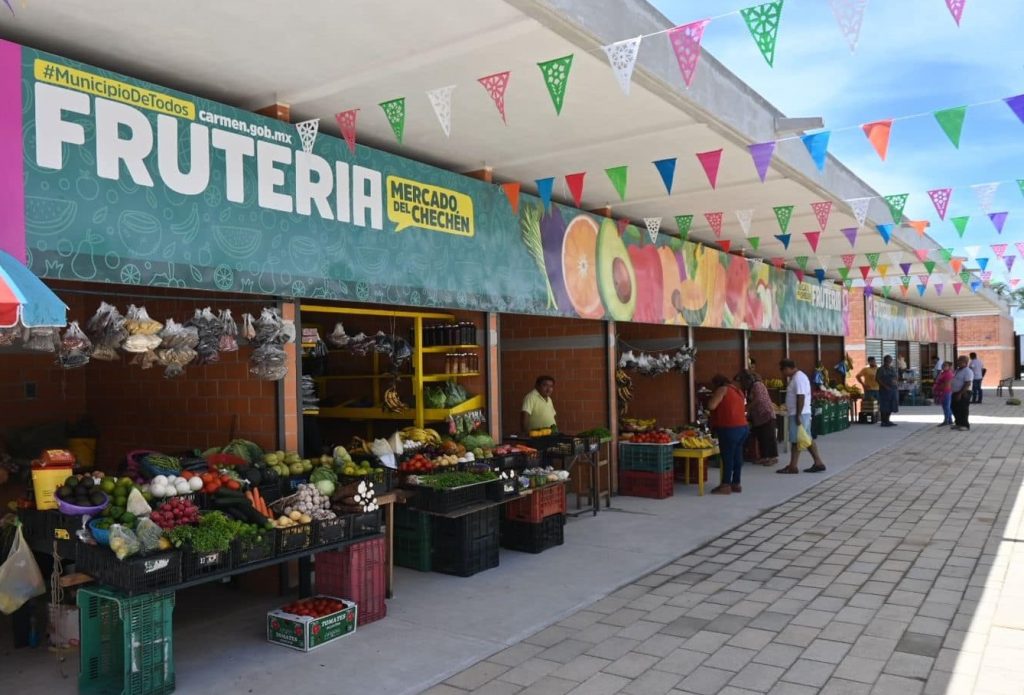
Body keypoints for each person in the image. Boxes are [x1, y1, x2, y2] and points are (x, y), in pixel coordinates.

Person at [777, 359, 826, 474]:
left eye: (782, 370)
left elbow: (801, 397)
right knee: (805, 438)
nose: (782, 373)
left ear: (787, 368)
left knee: (797, 439)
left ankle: (793, 466)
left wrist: (798, 415)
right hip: (799, 412)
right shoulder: (797, 377)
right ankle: (818, 463)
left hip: (799, 413)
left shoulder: (798, 377)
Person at [707, 374, 749, 494]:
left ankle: (725, 485)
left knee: (727, 457)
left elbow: (712, 405)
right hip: (743, 428)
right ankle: (736, 483)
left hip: (729, 429)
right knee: (737, 456)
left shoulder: (722, 390)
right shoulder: (738, 391)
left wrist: (711, 397)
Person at [736, 370, 777, 467]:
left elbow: (759, 399)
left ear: (747, 380)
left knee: (768, 437)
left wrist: (747, 408)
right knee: (761, 437)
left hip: (766, 414)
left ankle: (772, 458)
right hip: (758, 417)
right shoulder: (750, 388)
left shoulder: (757, 385)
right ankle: (764, 457)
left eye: (742, 382)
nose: (742, 384)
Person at [951, 356, 974, 430]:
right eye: (958, 361)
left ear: (965, 363)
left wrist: (960, 393)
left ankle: (965, 425)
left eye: (961, 361)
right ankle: (958, 423)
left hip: (964, 392)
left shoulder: (967, 371)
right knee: (954, 408)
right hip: (955, 392)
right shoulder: (957, 370)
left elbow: (967, 383)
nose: (958, 363)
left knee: (963, 409)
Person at [876, 355, 899, 427]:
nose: (889, 361)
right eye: (888, 360)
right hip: (884, 390)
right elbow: (877, 379)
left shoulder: (892, 368)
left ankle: (888, 420)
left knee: (891, 405)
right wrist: (885, 386)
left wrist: (895, 381)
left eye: (890, 360)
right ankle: (883, 421)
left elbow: (896, 377)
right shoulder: (881, 369)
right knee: (884, 405)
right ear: (885, 361)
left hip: (893, 390)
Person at [933, 361, 954, 426]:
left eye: (945, 365)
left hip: (945, 391)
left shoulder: (948, 374)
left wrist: (939, 389)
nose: (943, 366)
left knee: (946, 407)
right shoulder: (943, 373)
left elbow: (946, 384)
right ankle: (949, 420)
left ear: (949, 367)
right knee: (946, 406)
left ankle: (946, 420)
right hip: (942, 391)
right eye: (943, 365)